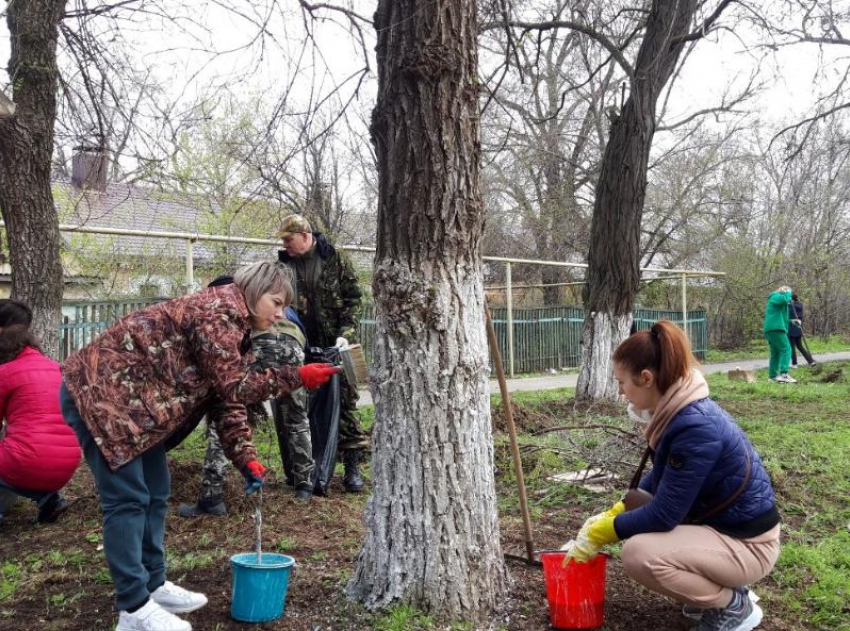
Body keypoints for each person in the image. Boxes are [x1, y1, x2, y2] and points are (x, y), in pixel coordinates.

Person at [60, 262, 339, 631]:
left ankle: (154, 585)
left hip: (137, 408)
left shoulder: (238, 332)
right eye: (276, 302)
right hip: (101, 396)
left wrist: (247, 459)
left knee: (157, 492)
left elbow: (228, 403)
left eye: (285, 307)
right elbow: (235, 386)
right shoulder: (218, 311)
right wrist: (297, 376)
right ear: (255, 291)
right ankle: (133, 608)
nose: (280, 314)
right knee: (127, 500)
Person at [565, 320, 781, 631]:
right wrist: (616, 511)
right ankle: (711, 594)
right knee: (640, 529)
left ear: (646, 378)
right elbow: (661, 480)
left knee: (639, 554)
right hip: (727, 531)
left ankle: (733, 606)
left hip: (749, 546)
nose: (620, 392)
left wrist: (604, 532)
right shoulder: (679, 410)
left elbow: (666, 513)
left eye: (621, 383)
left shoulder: (695, 426)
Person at [177, 276, 316, 516]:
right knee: (296, 416)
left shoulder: (231, 300)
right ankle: (304, 483)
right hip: (293, 343)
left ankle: (212, 496)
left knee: (228, 406)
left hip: (258, 342)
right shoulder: (274, 297)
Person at [276, 213, 369, 493]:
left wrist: (346, 334)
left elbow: (354, 298)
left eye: (289, 240)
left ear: (305, 236)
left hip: (337, 343)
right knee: (300, 406)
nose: (286, 245)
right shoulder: (284, 264)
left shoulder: (335, 259)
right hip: (301, 345)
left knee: (347, 403)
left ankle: (352, 469)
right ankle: (306, 469)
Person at [0, 299, 80, 527]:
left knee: (16, 452)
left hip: (26, 463)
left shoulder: (5, 372)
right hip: (66, 465)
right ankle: (49, 499)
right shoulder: (56, 367)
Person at [763, 285, 796, 383]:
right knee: (786, 349)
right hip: (775, 328)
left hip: (772, 328)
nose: (790, 297)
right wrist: (787, 292)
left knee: (776, 353)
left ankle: (772, 376)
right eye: (789, 293)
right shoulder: (776, 296)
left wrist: (792, 321)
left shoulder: (779, 300)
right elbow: (786, 300)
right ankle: (784, 374)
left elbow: (781, 316)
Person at [788, 294, 817, 368]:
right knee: (800, 346)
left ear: (791, 299)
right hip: (799, 328)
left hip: (791, 328)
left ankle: (794, 364)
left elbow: (789, 315)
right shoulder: (800, 305)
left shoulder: (790, 306)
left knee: (792, 347)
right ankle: (810, 361)